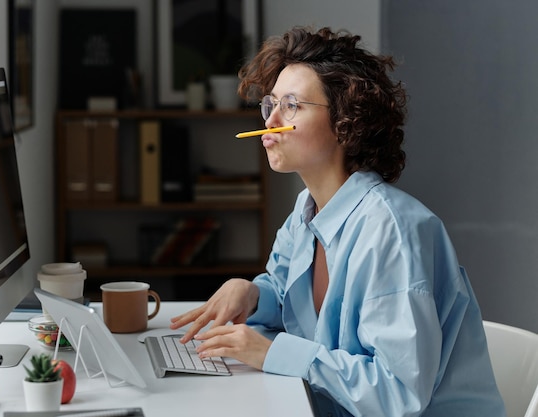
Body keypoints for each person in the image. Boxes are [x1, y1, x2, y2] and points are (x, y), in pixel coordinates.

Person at [170, 26, 505, 417]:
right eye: (270, 103)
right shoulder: (306, 211)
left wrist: (275, 353)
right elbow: (290, 301)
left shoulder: (391, 230)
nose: (271, 120)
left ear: (346, 122)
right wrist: (252, 293)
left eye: (292, 105)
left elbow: (398, 393)